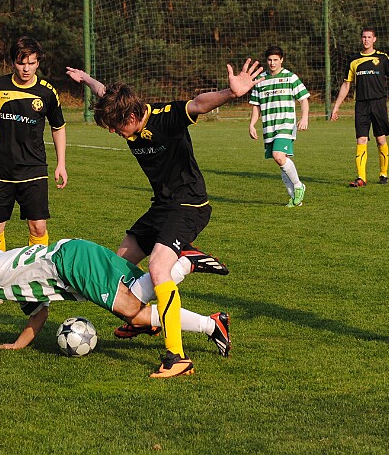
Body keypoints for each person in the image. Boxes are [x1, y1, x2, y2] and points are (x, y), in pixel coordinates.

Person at [66, 59, 263, 378]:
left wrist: (231, 93)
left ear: (132, 116)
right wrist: (88, 79)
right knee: (117, 267)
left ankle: (177, 357)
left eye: (117, 127)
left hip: (189, 205)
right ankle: (143, 320)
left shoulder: (165, 117)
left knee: (158, 269)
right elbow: (106, 94)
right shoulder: (123, 111)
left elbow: (198, 104)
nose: (115, 132)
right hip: (161, 206)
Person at [0, 240, 231, 363]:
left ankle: (184, 264)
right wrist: (17, 345)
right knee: (138, 315)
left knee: (131, 305)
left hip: (71, 262)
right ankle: (211, 325)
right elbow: (39, 316)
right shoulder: (9, 275)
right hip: (73, 256)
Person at [0, 36, 67, 251]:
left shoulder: (47, 92)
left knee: (38, 227)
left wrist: (61, 164)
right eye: (21, 63)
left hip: (33, 168)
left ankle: (35, 269)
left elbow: (58, 127)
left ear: (38, 63)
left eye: (31, 63)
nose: (26, 69)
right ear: (12, 62)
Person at [330, 27, 389, 187]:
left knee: (380, 139)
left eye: (369, 37)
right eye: (363, 37)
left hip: (378, 103)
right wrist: (336, 106)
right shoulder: (354, 60)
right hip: (361, 104)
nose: (366, 39)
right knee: (361, 139)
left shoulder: (382, 58)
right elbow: (346, 85)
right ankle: (361, 178)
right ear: (361, 39)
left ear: (374, 39)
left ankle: (383, 173)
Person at [249, 45, 310, 207]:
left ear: (281, 60)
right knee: (282, 160)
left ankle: (298, 186)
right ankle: (294, 198)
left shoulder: (290, 77)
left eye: (276, 59)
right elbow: (256, 105)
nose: (272, 63)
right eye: (270, 60)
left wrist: (304, 118)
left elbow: (303, 99)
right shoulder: (260, 80)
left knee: (278, 156)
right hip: (269, 126)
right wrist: (252, 124)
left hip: (286, 124)